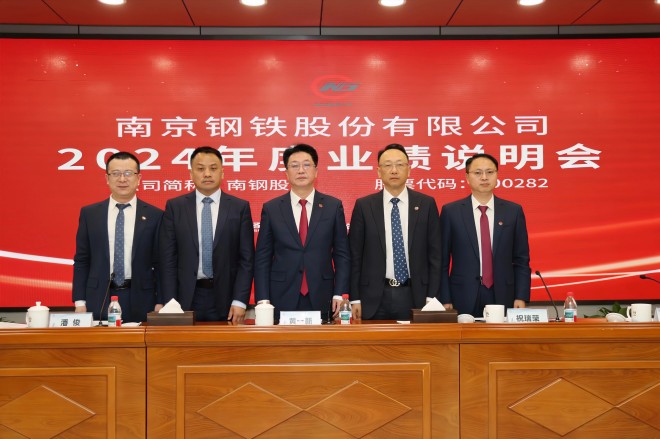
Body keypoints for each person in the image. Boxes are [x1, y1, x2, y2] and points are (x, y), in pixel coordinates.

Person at [254, 144, 350, 320]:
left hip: (323, 295)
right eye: (294, 165)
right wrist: (263, 300)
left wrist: (339, 293)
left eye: (306, 165)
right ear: (286, 173)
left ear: (316, 171)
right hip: (281, 295)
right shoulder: (272, 208)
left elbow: (342, 254)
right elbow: (262, 257)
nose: (301, 170)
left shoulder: (332, 206)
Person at [159, 146, 254, 323]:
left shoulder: (239, 207)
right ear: (191, 174)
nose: (207, 174)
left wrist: (240, 300)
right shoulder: (175, 207)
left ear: (222, 173)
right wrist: (169, 301)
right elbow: (168, 259)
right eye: (201, 169)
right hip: (185, 297)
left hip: (227, 299)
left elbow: (246, 260)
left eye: (213, 168)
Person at [349, 143, 442, 320]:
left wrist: (432, 297)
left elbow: (435, 255)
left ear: (409, 170)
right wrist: (355, 298)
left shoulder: (426, 204)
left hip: (416, 295)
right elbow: (355, 256)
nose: (394, 170)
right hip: (373, 297)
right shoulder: (364, 206)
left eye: (400, 164)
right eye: (387, 165)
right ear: (379, 172)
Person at [73, 151, 163, 322]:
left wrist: (161, 301)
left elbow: (160, 263)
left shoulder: (155, 215)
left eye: (128, 173)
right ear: (107, 178)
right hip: (99, 297)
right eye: (115, 173)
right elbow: (82, 260)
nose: (122, 179)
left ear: (138, 178)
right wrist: (80, 302)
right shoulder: (90, 214)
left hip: (142, 298)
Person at [439, 153, 531, 316]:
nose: (484, 177)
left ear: (497, 175)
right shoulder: (451, 212)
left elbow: (521, 259)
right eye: (477, 172)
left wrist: (521, 296)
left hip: (503, 294)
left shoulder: (513, 211)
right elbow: (442, 261)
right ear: (467, 177)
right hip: (462, 294)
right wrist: (445, 298)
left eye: (490, 172)